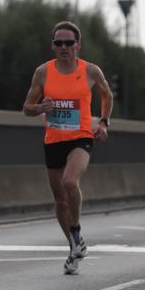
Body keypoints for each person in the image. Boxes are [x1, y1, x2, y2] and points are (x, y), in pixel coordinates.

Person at [23, 20, 113, 275]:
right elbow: (26, 109)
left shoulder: (90, 71)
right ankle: (75, 245)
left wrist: (104, 122)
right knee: (60, 200)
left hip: (81, 138)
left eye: (69, 43)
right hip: (53, 141)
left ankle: (75, 232)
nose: (64, 47)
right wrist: (41, 108)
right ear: (53, 46)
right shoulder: (43, 72)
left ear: (78, 45)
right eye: (59, 43)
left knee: (70, 183)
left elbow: (107, 95)